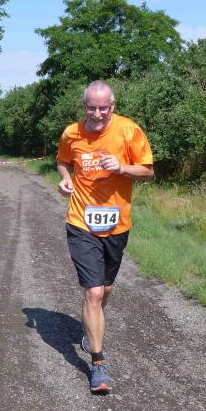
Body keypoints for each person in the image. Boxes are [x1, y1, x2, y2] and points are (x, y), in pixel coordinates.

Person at [56, 80, 154, 393]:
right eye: (91, 108)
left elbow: (148, 170)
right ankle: (98, 363)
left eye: (103, 108)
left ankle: (91, 325)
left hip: (116, 225)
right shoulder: (72, 133)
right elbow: (62, 161)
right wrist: (66, 179)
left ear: (112, 106)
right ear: (83, 106)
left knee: (106, 289)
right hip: (81, 222)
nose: (97, 114)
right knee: (94, 292)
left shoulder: (129, 130)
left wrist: (122, 168)